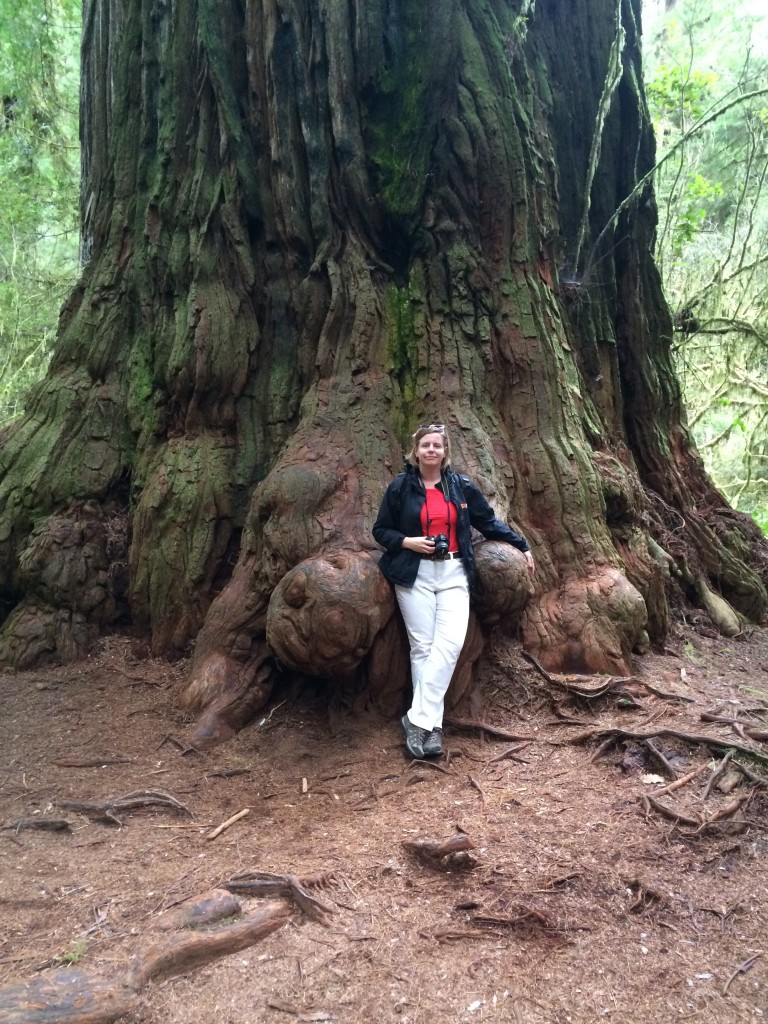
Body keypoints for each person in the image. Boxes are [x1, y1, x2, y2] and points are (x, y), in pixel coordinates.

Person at [373, 423, 535, 759]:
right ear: (416, 451)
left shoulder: (460, 486)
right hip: (414, 572)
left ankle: (416, 719)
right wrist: (408, 542)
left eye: (437, 445)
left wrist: (522, 544)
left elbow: (487, 522)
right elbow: (381, 530)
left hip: (453, 572)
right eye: (425, 445)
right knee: (422, 648)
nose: (431, 450)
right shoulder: (401, 486)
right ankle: (431, 728)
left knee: (449, 646)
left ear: (445, 451)